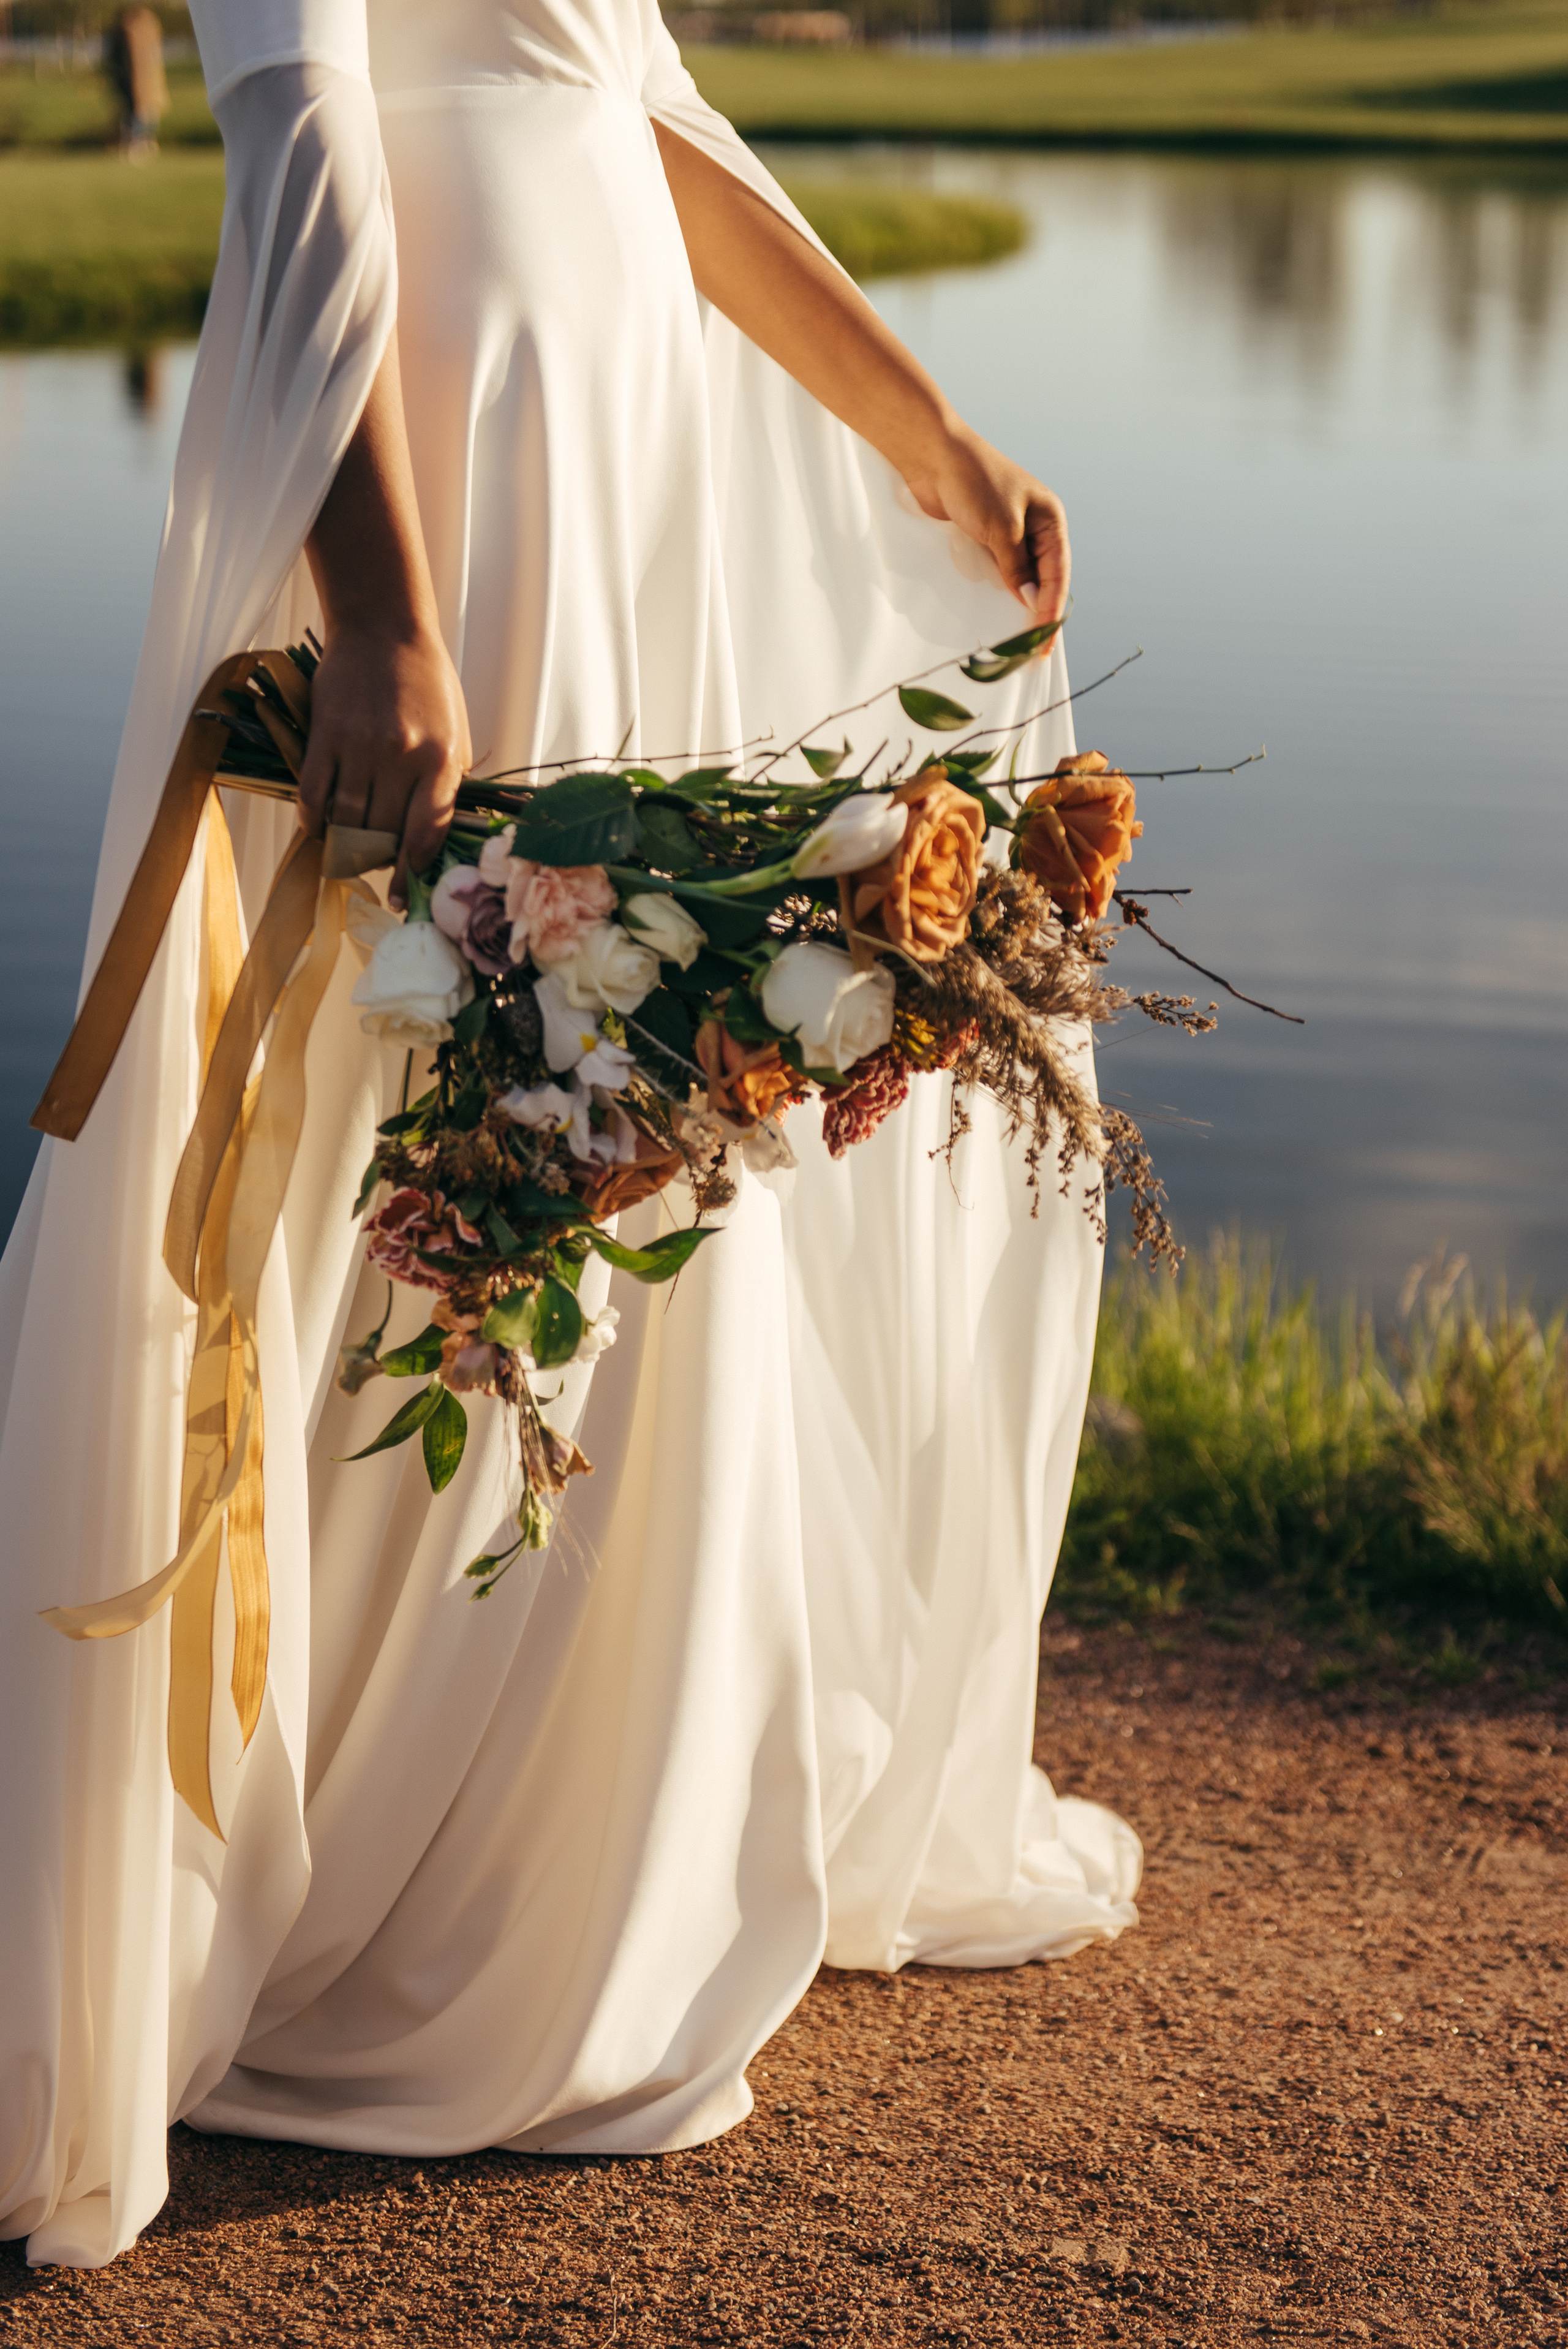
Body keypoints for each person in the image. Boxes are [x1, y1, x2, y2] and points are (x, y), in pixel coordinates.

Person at [0, 0, 1139, 2269]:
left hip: (602, 428)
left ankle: (552, 1840)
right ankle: (280, 1855)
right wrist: (383, 608)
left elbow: (643, 98)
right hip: (436, 428)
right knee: (387, 1086)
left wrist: (921, 427)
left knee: (591, 1091)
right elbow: (302, 122)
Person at [103, 4, 168, 160]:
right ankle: (136, 143)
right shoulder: (126, 33)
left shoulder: (138, 31)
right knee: (134, 114)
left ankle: (142, 142)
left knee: (144, 114)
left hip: (141, 82)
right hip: (130, 82)